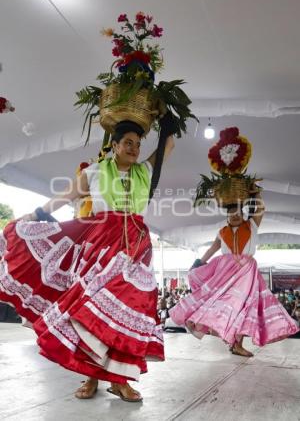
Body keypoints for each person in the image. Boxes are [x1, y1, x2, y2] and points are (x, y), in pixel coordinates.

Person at [0, 120, 174, 402]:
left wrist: (167, 116)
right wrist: (34, 215)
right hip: (102, 245)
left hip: (137, 248)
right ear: (114, 145)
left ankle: (120, 381)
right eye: (128, 142)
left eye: (138, 144)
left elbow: (168, 144)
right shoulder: (94, 172)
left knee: (128, 311)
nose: (134, 148)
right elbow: (63, 197)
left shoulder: (145, 171)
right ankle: (92, 377)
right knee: (92, 310)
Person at [170, 193, 299, 357]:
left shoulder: (251, 225)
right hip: (225, 272)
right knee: (226, 303)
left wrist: (256, 193)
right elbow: (211, 250)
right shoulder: (222, 232)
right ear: (227, 217)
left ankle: (235, 343)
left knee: (243, 306)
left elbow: (261, 208)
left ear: (243, 214)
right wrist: (199, 263)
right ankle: (215, 332)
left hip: (246, 272)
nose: (235, 217)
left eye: (238, 214)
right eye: (231, 215)